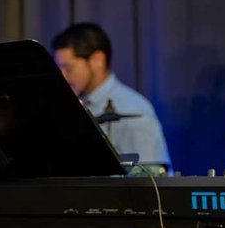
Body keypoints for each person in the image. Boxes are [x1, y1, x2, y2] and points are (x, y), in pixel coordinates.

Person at [52, 22, 171, 170]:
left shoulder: (133, 109)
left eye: (68, 68)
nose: (62, 76)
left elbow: (152, 177)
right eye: (59, 69)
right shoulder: (68, 106)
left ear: (97, 60)